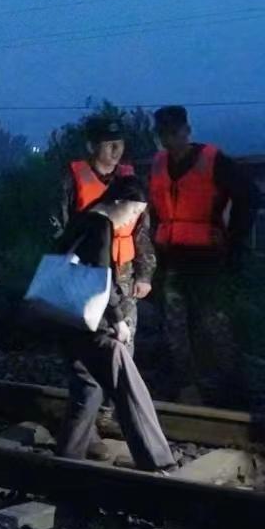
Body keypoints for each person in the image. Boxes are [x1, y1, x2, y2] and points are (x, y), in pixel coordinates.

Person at [49, 176, 178, 472]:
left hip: (64, 317)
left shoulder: (81, 220)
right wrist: (119, 321)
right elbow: (101, 278)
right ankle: (157, 461)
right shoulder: (100, 225)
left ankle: (66, 460)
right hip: (89, 322)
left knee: (88, 387)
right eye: (133, 212)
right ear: (118, 202)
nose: (132, 220)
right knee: (127, 383)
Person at [148, 105, 258, 407]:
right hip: (171, 259)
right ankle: (187, 386)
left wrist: (234, 240)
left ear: (187, 130)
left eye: (174, 132)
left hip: (208, 260)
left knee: (215, 325)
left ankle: (231, 390)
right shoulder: (158, 164)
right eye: (164, 134)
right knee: (174, 327)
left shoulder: (213, 160)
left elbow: (249, 196)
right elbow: (154, 208)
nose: (169, 140)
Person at [54, 116, 154, 307]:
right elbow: (59, 228)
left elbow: (142, 230)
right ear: (92, 147)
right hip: (85, 268)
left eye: (120, 143)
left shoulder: (130, 181)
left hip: (124, 272)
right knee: (87, 322)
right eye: (109, 144)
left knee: (123, 324)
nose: (116, 150)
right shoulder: (71, 180)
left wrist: (144, 275)